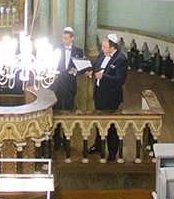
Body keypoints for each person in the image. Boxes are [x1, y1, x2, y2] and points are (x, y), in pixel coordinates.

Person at [91, 32, 128, 161]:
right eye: (103, 46)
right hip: (99, 94)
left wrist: (104, 77)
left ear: (113, 47)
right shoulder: (102, 54)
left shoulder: (121, 60)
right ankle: (98, 145)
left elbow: (120, 80)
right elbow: (97, 68)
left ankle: (112, 151)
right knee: (99, 121)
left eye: (106, 47)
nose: (103, 49)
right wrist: (91, 73)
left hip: (111, 97)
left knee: (111, 125)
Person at [53, 25, 84, 113]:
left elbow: (79, 66)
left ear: (72, 38)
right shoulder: (57, 49)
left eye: (66, 38)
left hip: (70, 82)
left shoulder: (78, 51)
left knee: (69, 105)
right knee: (57, 106)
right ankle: (57, 126)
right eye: (63, 38)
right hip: (58, 81)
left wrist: (74, 71)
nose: (64, 40)